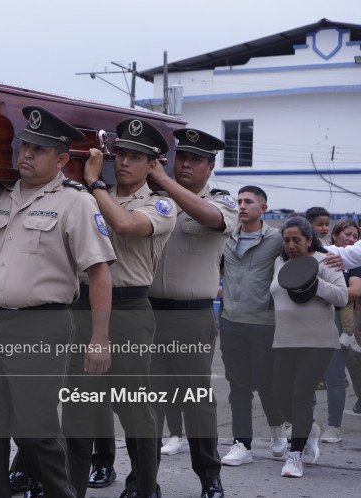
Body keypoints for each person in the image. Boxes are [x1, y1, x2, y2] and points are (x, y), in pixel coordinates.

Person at [0, 106, 115, 498]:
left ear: (61, 159)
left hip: (40, 326)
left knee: (36, 431)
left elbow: (99, 273)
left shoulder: (75, 202)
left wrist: (100, 339)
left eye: (38, 149)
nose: (25, 154)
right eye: (23, 145)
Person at [76, 118, 176, 498]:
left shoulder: (160, 203)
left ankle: (145, 485)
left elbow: (124, 225)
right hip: (82, 305)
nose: (123, 163)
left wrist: (95, 186)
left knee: (134, 406)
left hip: (128, 309)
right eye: (120, 155)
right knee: (81, 402)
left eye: (135, 157)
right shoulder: (92, 193)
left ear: (153, 164)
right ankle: (76, 479)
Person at [146, 128, 238, 498]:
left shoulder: (222, 201)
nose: (186, 163)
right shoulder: (150, 198)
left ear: (210, 167)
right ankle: (144, 480)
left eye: (195, 159)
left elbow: (209, 218)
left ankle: (209, 478)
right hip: (147, 313)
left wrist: (166, 181)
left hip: (191, 316)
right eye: (181, 156)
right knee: (145, 401)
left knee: (195, 400)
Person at [271, 216, 347, 478]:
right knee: (280, 396)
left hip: (317, 340)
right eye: (286, 240)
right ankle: (310, 429)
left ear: (309, 240)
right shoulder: (279, 261)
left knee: (300, 396)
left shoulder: (325, 261)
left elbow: (342, 295)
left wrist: (312, 282)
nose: (291, 245)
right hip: (284, 340)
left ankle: (295, 457)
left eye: (297, 240)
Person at [218, 186, 288, 466]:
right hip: (230, 322)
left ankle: (277, 428)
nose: (242, 206)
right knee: (238, 385)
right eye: (239, 201)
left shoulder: (276, 239)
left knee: (265, 383)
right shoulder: (226, 237)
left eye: (249, 201)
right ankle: (241, 444)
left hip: (264, 323)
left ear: (264, 207)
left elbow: (305, 255)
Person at [316, 219, 361, 444]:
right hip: (310, 319)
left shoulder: (353, 263)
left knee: (334, 375)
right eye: (348, 235)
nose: (352, 240)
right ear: (335, 236)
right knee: (307, 374)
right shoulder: (320, 256)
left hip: (338, 320)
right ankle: (306, 423)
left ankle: (333, 427)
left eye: (355, 237)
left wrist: (318, 290)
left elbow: (353, 291)